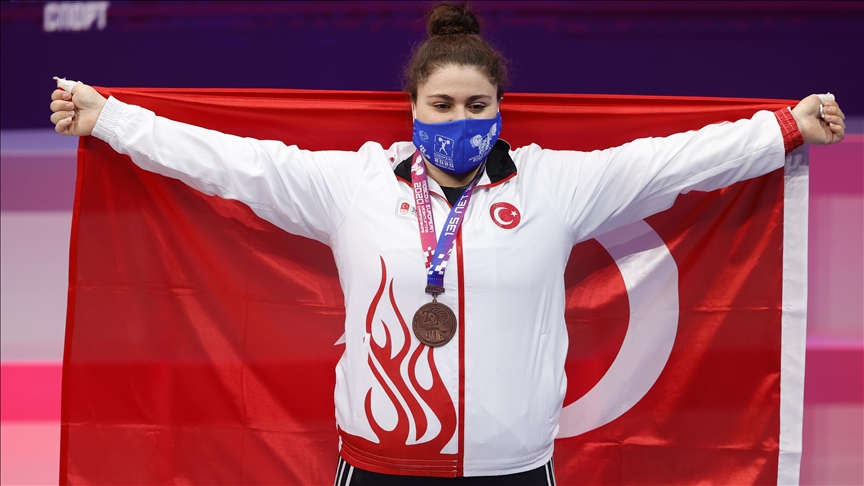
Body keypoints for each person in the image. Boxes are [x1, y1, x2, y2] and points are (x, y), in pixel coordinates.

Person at [49, 3, 845, 485]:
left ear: (500, 109)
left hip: (512, 470)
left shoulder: (555, 185)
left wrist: (785, 127)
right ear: (413, 107)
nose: (460, 120)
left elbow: (673, 160)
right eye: (442, 104)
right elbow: (232, 162)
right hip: (380, 465)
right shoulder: (353, 185)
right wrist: (110, 118)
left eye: (477, 105)